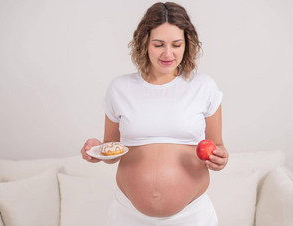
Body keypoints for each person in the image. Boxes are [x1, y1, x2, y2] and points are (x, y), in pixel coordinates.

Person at [80, 2, 228, 225]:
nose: (168, 54)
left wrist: (220, 158)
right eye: (158, 44)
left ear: (187, 44)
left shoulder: (204, 87)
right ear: (144, 43)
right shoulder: (120, 88)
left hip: (192, 215)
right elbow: (111, 151)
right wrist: (96, 151)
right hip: (127, 214)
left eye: (177, 44)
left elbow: (218, 145)